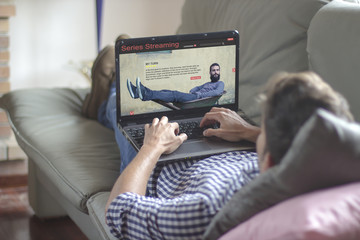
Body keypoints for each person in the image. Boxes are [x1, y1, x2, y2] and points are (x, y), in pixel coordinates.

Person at [83, 47, 353, 239]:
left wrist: (152, 147)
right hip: (212, 140)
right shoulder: (334, 170)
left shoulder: (206, 210)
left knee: (131, 118)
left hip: (161, 162)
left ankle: (108, 93)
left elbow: (120, 212)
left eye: (264, 134)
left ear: (269, 161)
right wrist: (249, 131)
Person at [126, 63, 225, 103]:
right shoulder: (207, 83)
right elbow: (195, 88)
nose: (215, 72)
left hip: (197, 98)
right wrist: (195, 92)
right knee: (166, 91)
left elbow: (216, 93)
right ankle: (137, 93)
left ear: (219, 71)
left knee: (175, 94)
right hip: (194, 96)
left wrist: (199, 94)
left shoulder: (220, 83)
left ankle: (144, 93)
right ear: (210, 72)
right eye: (213, 70)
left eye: (217, 70)